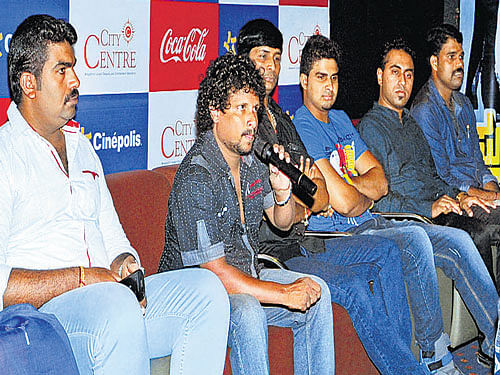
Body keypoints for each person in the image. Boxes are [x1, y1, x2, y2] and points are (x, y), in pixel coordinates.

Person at [1, 14, 230, 375]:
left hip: (108, 305)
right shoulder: (5, 154)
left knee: (207, 292)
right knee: (116, 306)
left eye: (73, 68)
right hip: (47, 320)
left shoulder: (83, 149)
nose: (75, 81)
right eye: (62, 71)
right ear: (29, 84)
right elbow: (2, 285)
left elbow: (114, 239)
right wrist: (83, 277)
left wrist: (123, 263)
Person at [294, 34, 498, 374]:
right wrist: (357, 193)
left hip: (372, 220)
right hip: (348, 231)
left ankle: (497, 339)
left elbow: (379, 180)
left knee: (459, 240)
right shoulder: (303, 124)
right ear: (303, 81)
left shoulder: (343, 120)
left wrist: (348, 189)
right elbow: (348, 200)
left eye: (334, 77)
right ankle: (434, 353)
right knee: (416, 238)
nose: (329, 86)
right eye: (320, 77)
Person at [236, 19, 426, 375]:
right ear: (242, 58)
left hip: (302, 242)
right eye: (262, 56)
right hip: (274, 254)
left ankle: (406, 364)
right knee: (356, 283)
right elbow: (287, 205)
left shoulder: (279, 118)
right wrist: (305, 203)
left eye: (277, 58)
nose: (270, 67)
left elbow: (321, 194)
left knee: (387, 252)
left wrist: (312, 199)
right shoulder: (244, 127)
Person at [157, 52, 334, 375]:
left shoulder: (252, 161)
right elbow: (216, 274)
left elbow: (282, 223)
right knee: (250, 311)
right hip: (199, 297)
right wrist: (283, 293)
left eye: (254, 109)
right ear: (214, 112)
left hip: (248, 277)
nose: (252, 120)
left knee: (317, 291)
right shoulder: (197, 176)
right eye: (241, 109)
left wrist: (283, 196)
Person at [357, 37, 500, 369]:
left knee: (480, 221)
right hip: (408, 219)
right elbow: (378, 198)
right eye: (395, 72)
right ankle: (487, 339)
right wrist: (429, 208)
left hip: (439, 206)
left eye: (408, 74)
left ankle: (495, 339)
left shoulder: (410, 124)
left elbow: (434, 176)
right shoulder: (370, 128)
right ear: (379, 76)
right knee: (468, 236)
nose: (403, 82)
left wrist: (460, 195)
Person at [411, 24, 500, 288]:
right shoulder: (425, 110)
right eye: (451, 57)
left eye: (460, 56)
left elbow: (479, 162)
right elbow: (442, 175)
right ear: (434, 62)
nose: (459, 64)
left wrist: (492, 188)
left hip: (477, 195)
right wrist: (487, 197)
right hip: (451, 199)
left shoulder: (463, 103)